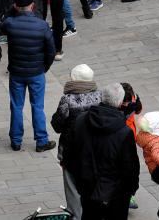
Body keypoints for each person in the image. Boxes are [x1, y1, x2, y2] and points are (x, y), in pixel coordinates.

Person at [65, 82, 140, 219]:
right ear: (119, 103)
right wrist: (131, 189)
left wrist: (80, 179)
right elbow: (130, 167)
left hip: (87, 187)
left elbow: (69, 154)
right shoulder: (124, 132)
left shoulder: (80, 120)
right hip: (115, 193)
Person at [3, 0, 56, 152]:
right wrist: (43, 67)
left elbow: (2, 22)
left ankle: (16, 140)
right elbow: (51, 51)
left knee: (16, 106)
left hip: (17, 72)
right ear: (32, 6)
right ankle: (41, 141)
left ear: (15, 6)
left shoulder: (10, 23)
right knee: (37, 106)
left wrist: (12, 11)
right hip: (36, 72)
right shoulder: (42, 25)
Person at [52, 64, 102, 218]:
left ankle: (76, 215)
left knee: (72, 186)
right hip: (95, 149)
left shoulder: (67, 99)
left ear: (73, 78)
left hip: (71, 150)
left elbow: (57, 125)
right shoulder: (99, 96)